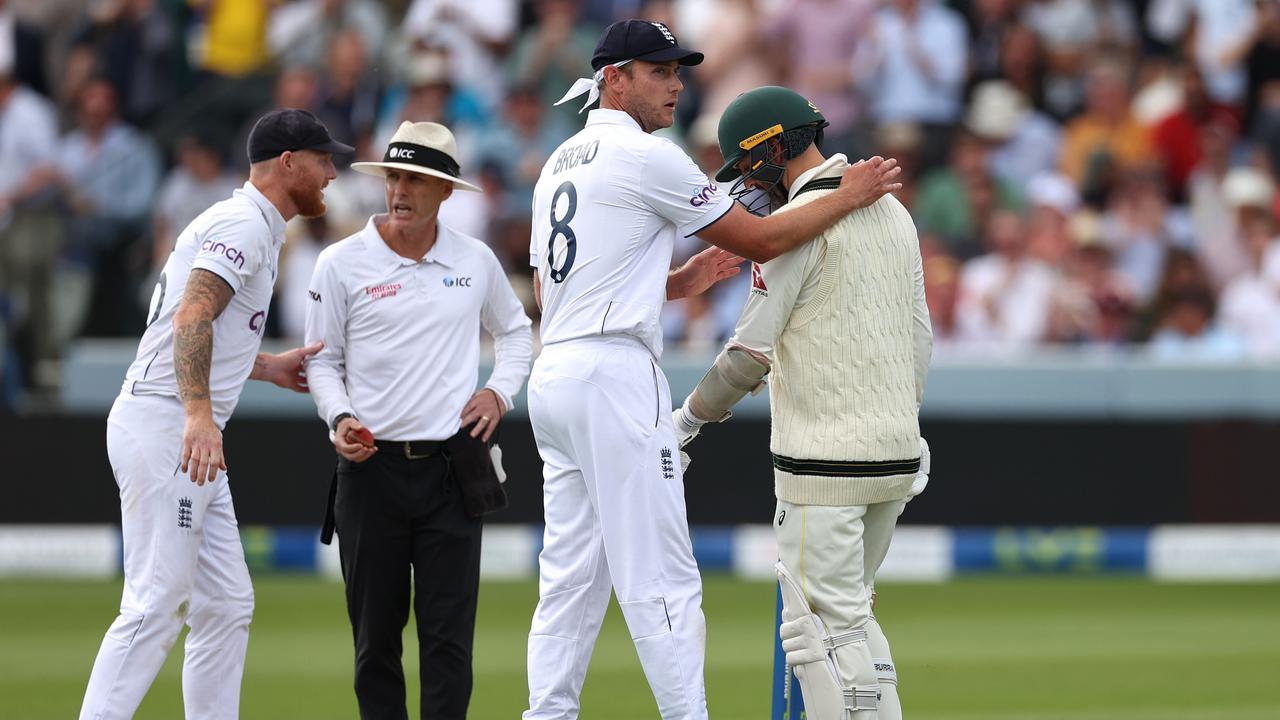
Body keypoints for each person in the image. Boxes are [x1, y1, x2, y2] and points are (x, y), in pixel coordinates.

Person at [523, 19, 904, 720]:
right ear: (614, 78)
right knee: (662, 574)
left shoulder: (558, 163)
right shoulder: (648, 155)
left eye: (679, 70)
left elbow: (555, 290)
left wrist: (672, 281)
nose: (676, 85)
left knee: (568, 578)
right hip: (614, 377)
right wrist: (848, 194)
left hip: (555, 375)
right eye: (660, 71)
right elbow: (760, 236)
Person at [79, 108, 352, 720]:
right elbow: (191, 317)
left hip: (175, 423)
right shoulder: (244, 224)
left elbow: (201, 326)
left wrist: (263, 365)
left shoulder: (251, 224)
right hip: (167, 426)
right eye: (322, 159)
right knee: (155, 603)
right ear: (288, 163)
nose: (332, 172)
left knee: (225, 603)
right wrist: (199, 416)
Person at [672, 86, 933, 720]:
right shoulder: (895, 212)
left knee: (818, 634)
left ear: (771, 151)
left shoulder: (790, 231)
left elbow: (745, 358)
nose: (744, 184)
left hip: (823, 465)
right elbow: (920, 337)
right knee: (853, 614)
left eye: (744, 166)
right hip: (898, 454)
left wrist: (681, 425)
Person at [303, 121, 533, 720]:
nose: (400, 190)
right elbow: (322, 363)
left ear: (446, 191)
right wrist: (340, 417)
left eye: (416, 180)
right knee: (375, 643)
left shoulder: (474, 260)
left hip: (452, 473)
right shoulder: (340, 263)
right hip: (370, 470)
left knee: (449, 644)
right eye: (394, 177)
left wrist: (498, 394)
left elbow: (516, 334)